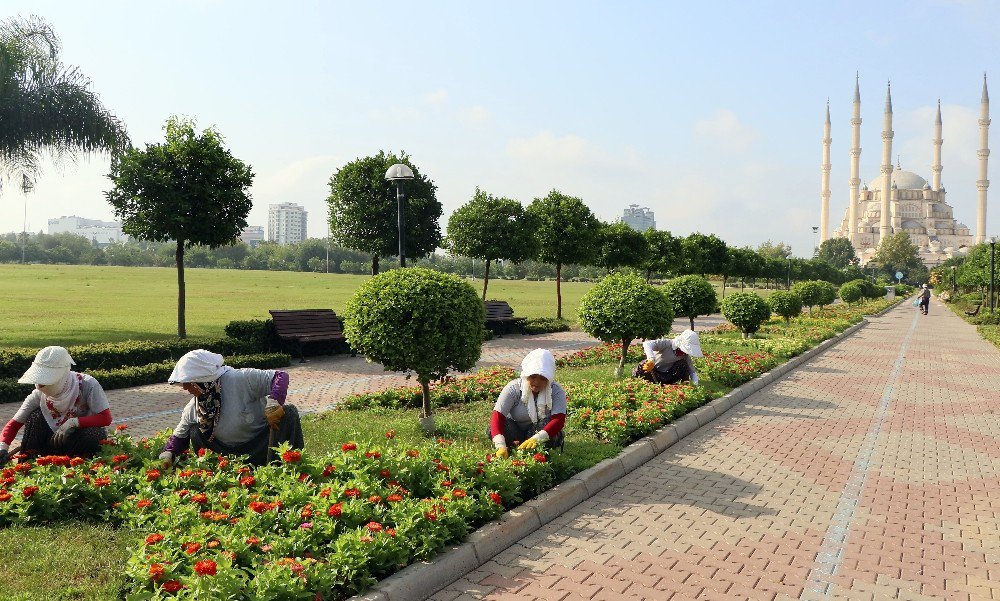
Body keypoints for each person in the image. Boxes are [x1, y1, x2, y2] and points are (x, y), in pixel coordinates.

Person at [158, 349, 302, 468]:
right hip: (225, 455)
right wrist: (167, 455)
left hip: (261, 445)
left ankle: (292, 466)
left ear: (202, 380)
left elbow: (280, 376)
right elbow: (179, 436)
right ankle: (214, 469)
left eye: (188, 383)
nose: (184, 388)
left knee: (289, 413)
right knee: (195, 430)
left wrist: (274, 402)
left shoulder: (240, 379)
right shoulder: (196, 406)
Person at [0, 346, 112, 465]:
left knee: (95, 434)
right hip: (50, 442)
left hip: (78, 441)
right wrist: (2, 448)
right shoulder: (38, 394)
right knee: (35, 417)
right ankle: (28, 467)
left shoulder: (87, 384)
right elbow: (13, 425)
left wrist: (74, 422)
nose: (39, 384)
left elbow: (105, 418)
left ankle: (83, 468)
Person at [488, 348, 566, 458]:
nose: (536, 382)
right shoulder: (513, 388)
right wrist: (500, 444)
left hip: (539, 430)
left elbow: (559, 420)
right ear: (526, 375)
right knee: (493, 429)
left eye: (542, 378)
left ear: (549, 378)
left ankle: (537, 451)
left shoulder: (556, 391)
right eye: (533, 376)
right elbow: (497, 417)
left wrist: (537, 438)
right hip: (516, 430)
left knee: (551, 429)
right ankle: (511, 448)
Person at [632, 329, 703, 385]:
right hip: (653, 372)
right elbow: (647, 344)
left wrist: (695, 385)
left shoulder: (685, 356)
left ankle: (683, 386)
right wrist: (651, 360)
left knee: (684, 365)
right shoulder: (667, 344)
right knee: (643, 364)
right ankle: (640, 383)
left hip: (667, 377)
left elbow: (692, 372)